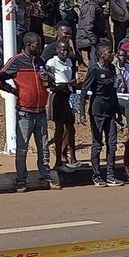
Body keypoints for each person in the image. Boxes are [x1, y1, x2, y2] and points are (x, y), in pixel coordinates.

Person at [0, 32, 59, 192]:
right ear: (28, 45)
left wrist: (49, 79)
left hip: (40, 111)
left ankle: (45, 177)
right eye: (37, 44)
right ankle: (21, 180)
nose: (41, 47)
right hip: (24, 112)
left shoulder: (40, 61)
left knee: (43, 147)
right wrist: (13, 91)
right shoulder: (17, 61)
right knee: (22, 148)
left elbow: (50, 82)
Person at [78, 42, 124, 187]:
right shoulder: (94, 70)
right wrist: (82, 113)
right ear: (102, 54)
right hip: (97, 111)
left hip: (110, 111)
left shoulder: (111, 68)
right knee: (97, 144)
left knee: (112, 144)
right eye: (110, 52)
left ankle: (110, 175)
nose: (113, 54)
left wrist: (118, 111)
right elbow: (84, 91)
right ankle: (97, 175)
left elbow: (113, 92)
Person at [46, 38, 77, 169]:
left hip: (68, 95)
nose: (65, 53)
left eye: (67, 50)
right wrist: (63, 84)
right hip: (57, 96)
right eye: (63, 50)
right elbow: (48, 78)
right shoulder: (52, 62)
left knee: (71, 128)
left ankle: (73, 157)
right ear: (57, 50)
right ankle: (58, 159)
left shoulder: (69, 61)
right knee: (59, 128)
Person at [75, 0, 107, 69]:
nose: (105, 3)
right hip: (87, 39)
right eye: (105, 0)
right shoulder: (91, 6)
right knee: (95, 59)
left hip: (91, 37)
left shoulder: (94, 6)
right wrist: (94, 40)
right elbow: (87, 25)